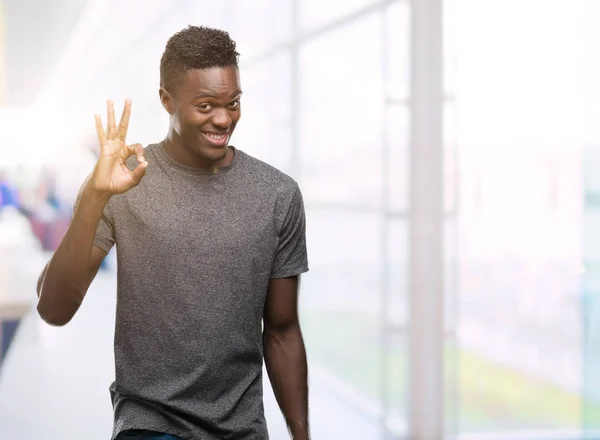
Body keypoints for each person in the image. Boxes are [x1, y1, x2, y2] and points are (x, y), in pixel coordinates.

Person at [36, 26, 310, 440]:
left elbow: (283, 328)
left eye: (232, 103)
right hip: (150, 425)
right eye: (205, 106)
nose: (223, 119)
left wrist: (301, 435)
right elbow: (53, 310)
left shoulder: (277, 195)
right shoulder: (122, 183)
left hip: (242, 429)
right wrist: (94, 196)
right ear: (166, 100)